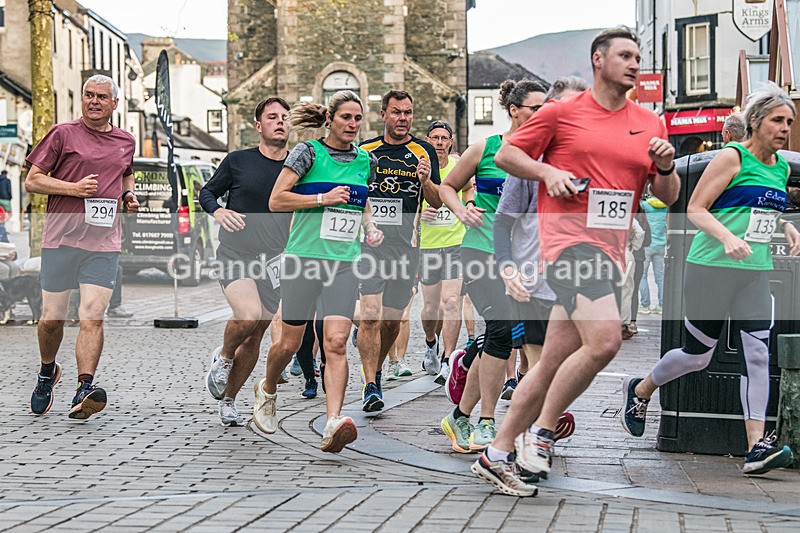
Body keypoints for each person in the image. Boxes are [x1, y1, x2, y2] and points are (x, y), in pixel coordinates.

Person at [472, 28, 680, 496]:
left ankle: (497, 453)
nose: (635, 63)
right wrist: (546, 170)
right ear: (598, 60)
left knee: (549, 362)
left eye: (638, 56)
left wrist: (666, 166)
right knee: (605, 341)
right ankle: (542, 434)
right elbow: (506, 154)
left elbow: (667, 196)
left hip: (612, 250)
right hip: (568, 245)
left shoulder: (649, 122)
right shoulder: (562, 113)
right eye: (624, 55)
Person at [621, 82, 798, 475]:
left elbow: (762, 209)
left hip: (755, 271)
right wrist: (727, 237)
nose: (785, 128)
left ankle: (756, 448)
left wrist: (785, 226)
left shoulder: (781, 167)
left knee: (758, 354)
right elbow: (697, 209)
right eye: (777, 120)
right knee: (698, 356)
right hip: (710, 268)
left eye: (789, 121)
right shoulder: (732, 158)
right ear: (756, 121)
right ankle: (641, 388)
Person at [253, 90, 384, 453]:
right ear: (330, 119)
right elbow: (276, 200)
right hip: (304, 260)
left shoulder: (366, 159)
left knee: (337, 342)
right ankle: (267, 388)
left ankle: (333, 422)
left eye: (358, 118)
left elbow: (362, 201)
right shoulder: (308, 153)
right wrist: (322, 198)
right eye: (346, 117)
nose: (353, 125)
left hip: (344, 263)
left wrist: (370, 226)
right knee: (290, 344)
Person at [439, 79, 548, 456]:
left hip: (522, 262)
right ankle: (486, 422)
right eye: (535, 108)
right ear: (514, 110)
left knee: (505, 338)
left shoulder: (545, 156)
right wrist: (461, 210)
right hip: (481, 251)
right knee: (502, 330)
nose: (542, 114)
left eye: (546, 108)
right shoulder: (485, 148)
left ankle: (461, 411)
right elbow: (447, 186)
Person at [26, 74, 139, 419]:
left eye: (101, 97)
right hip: (60, 239)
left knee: (92, 314)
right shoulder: (63, 134)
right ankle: (47, 372)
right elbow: (32, 181)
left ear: (114, 103)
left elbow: (125, 173)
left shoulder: (126, 140)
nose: (94, 101)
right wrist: (73, 189)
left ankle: (84, 388)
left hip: (103, 242)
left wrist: (129, 194)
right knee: (51, 320)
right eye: (89, 95)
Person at [199, 97, 292, 426]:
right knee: (248, 315)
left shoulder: (298, 167)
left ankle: (229, 400)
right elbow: (206, 193)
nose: (280, 122)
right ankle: (224, 356)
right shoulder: (238, 161)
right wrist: (219, 211)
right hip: (236, 253)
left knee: (255, 335)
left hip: (275, 262)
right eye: (272, 117)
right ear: (258, 125)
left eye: (285, 117)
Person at [357, 90, 440, 412]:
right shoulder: (365, 151)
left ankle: (376, 371)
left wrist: (426, 180)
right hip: (371, 245)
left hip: (406, 248)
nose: (403, 118)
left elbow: (435, 200)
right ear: (383, 114)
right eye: (396, 112)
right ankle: (369, 384)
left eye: (408, 112)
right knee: (370, 315)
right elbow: (355, 193)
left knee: (392, 321)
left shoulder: (423, 151)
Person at [419, 119, 469, 385]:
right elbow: (408, 204)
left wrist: (468, 206)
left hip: (455, 243)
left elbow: (469, 189)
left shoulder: (458, 167)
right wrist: (419, 216)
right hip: (427, 246)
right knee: (430, 308)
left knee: (450, 302)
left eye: (444, 138)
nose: (439, 143)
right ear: (427, 140)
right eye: (435, 138)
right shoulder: (419, 169)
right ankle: (431, 343)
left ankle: (448, 360)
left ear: (450, 142)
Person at [638, 190, 668, 315]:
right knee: (660, 277)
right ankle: (661, 306)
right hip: (661, 245)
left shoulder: (645, 205)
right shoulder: (665, 206)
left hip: (647, 245)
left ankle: (645, 305)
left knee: (642, 275)